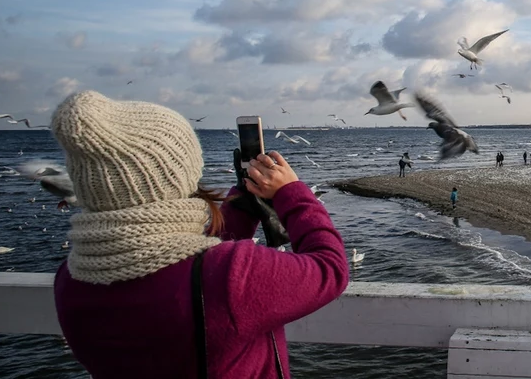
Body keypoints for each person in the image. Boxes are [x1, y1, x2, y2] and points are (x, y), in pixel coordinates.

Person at [50, 90, 349, 378]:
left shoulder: (71, 280)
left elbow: (193, 272)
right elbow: (330, 269)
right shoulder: (228, 277)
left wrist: (242, 206)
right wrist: (291, 192)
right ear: (172, 178)